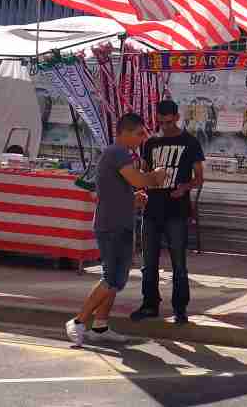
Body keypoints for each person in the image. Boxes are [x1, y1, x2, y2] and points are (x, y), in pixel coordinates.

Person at [65, 113, 168, 347]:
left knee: (116, 280)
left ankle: (100, 326)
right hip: (111, 226)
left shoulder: (119, 155)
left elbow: (114, 192)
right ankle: (78, 322)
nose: (143, 138)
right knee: (111, 278)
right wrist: (156, 176)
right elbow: (140, 180)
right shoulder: (117, 152)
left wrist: (133, 200)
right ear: (125, 133)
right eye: (140, 133)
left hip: (120, 223)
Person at [131, 100, 205, 326]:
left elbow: (199, 178)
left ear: (177, 117)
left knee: (179, 264)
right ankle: (149, 304)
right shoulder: (150, 143)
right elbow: (142, 174)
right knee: (148, 262)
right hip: (152, 209)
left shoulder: (190, 142)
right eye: (162, 122)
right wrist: (140, 189)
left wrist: (184, 187)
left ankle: (180, 309)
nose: (166, 126)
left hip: (177, 210)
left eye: (169, 122)